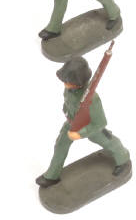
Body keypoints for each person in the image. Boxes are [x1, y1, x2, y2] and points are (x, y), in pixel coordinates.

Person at [36, 56, 130, 187]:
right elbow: (68, 103)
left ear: (77, 82)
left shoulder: (92, 98)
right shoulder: (69, 89)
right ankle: (52, 176)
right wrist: (67, 113)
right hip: (72, 122)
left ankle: (123, 158)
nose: (65, 83)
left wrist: (80, 133)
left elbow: (100, 122)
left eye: (68, 81)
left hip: (90, 126)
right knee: (60, 145)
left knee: (108, 141)